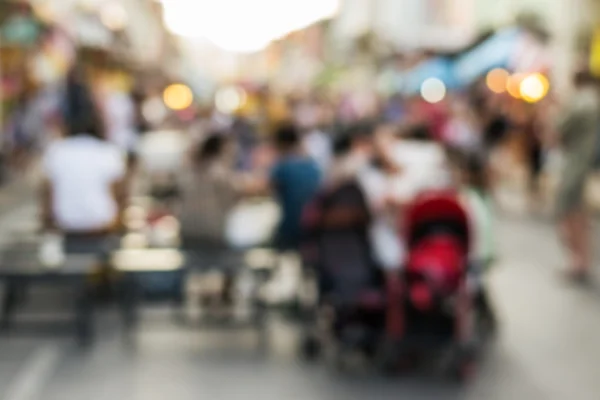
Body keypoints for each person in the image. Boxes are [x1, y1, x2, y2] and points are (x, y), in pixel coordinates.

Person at [41, 79, 126, 263]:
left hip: (66, 226)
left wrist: (48, 227)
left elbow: (47, 198)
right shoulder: (108, 152)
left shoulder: (56, 151)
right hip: (102, 227)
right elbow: (120, 197)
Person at [555, 72, 600, 282]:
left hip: (576, 163)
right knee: (580, 213)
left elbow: (560, 128)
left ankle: (577, 260)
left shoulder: (581, 102)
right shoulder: (594, 102)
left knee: (569, 210)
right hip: (586, 163)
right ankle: (583, 259)